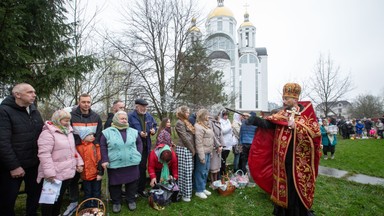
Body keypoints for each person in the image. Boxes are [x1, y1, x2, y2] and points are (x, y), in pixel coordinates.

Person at [248, 83, 321, 216]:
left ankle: (298, 212)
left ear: (295, 99)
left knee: (295, 187)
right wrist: (254, 120)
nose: (284, 100)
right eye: (284, 97)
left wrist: (296, 126)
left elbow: (315, 134)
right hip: (281, 160)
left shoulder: (306, 115)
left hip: (298, 162)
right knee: (283, 185)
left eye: (287, 98)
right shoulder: (281, 113)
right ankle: (283, 211)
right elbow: (269, 124)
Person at [0, 83, 44, 216]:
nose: (34, 95)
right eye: (30, 92)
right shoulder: (4, 111)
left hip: (34, 164)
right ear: (17, 95)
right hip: (13, 167)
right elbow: (2, 142)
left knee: (35, 195)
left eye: (34, 92)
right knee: (7, 200)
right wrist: (14, 166)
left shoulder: (34, 110)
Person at [37, 109, 84, 216]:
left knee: (59, 197)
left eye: (69, 120)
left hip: (66, 171)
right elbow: (44, 154)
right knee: (49, 200)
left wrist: (79, 162)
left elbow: (73, 150)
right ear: (57, 120)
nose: (67, 123)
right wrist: (49, 172)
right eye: (65, 120)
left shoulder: (68, 131)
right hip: (53, 173)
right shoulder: (47, 133)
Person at [64, 93, 103, 216]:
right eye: (83, 102)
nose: (86, 104)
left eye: (88, 102)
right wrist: (82, 140)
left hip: (92, 151)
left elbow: (99, 134)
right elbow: (69, 135)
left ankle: (93, 203)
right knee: (74, 178)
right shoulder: (72, 116)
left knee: (91, 179)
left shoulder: (96, 116)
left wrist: (93, 144)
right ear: (79, 102)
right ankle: (74, 200)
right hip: (76, 150)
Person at [100, 111, 143, 212]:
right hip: (115, 163)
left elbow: (139, 143)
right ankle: (116, 202)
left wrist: (138, 154)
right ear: (115, 119)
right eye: (122, 118)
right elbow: (103, 146)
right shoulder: (107, 132)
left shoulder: (133, 131)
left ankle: (131, 200)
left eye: (125, 119)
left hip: (132, 162)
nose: (124, 120)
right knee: (115, 184)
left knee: (132, 183)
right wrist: (105, 159)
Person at [128, 98, 157, 198]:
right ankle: (133, 190)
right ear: (136, 106)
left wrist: (153, 130)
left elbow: (155, 125)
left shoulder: (148, 116)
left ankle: (141, 189)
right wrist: (138, 133)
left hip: (145, 146)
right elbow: (127, 129)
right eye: (142, 107)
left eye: (145, 107)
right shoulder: (130, 116)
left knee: (143, 167)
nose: (144, 108)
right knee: (134, 168)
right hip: (134, 146)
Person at [76, 127, 104, 207]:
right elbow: (76, 158)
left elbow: (99, 159)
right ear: (83, 136)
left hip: (96, 174)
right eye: (90, 135)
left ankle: (96, 205)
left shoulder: (96, 146)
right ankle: (87, 206)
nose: (93, 136)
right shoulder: (78, 147)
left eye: (93, 134)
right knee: (87, 191)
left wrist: (100, 172)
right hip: (85, 175)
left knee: (96, 191)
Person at [174, 106, 195, 202]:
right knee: (184, 172)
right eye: (187, 112)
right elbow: (184, 138)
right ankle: (184, 193)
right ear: (182, 113)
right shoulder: (179, 123)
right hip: (184, 149)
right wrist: (192, 149)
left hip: (188, 148)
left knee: (189, 171)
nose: (188, 114)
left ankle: (187, 192)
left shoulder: (186, 122)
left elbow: (190, 135)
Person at [194, 109, 214, 199]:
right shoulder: (198, 126)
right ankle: (198, 190)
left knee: (206, 171)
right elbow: (198, 143)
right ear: (203, 116)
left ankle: (203, 187)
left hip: (208, 152)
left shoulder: (206, 125)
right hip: (202, 153)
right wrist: (201, 156)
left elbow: (210, 139)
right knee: (200, 171)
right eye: (207, 115)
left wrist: (211, 151)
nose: (208, 116)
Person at [208, 108, 224, 187]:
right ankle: (212, 182)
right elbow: (212, 135)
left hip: (218, 147)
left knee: (217, 165)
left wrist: (221, 145)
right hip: (214, 147)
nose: (220, 116)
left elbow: (221, 135)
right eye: (219, 114)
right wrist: (218, 145)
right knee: (213, 166)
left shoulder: (218, 122)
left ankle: (216, 181)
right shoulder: (210, 122)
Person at [219, 110, 234, 176]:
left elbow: (231, 131)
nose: (226, 116)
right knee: (223, 158)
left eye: (227, 115)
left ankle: (224, 171)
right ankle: (222, 172)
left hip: (228, 142)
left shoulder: (228, 121)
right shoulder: (220, 121)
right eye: (224, 115)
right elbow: (223, 131)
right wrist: (230, 127)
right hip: (223, 142)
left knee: (225, 158)